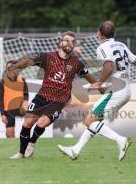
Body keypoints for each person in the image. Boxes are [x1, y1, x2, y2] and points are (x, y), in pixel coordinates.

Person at [8, 31, 103, 159]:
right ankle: (21, 153)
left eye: (72, 41)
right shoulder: (47, 57)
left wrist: (101, 89)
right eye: (67, 40)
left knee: (41, 124)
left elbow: (89, 77)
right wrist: (16, 66)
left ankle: (32, 142)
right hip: (42, 96)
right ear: (60, 42)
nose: (69, 43)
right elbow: (28, 62)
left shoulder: (76, 63)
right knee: (27, 124)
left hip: (58, 101)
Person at [58, 21, 136, 161]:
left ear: (100, 34)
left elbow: (108, 68)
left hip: (116, 91)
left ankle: (121, 140)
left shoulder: (102, 47)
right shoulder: (122, 45)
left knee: (89, 120)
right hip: (126, 89)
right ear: (114, 33)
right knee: (94, 121)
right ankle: (75, 150)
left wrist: (99, 83)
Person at [0, 61, 29, 138]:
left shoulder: (22, 80)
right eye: (8, 68)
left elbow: (26, 94)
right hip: (9, 110)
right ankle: (12, 145)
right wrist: (2, 114)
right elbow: (0, 100)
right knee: (10, 134)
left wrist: (25, 101)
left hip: (20, 108)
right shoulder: (3, 82)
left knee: (28, 107)